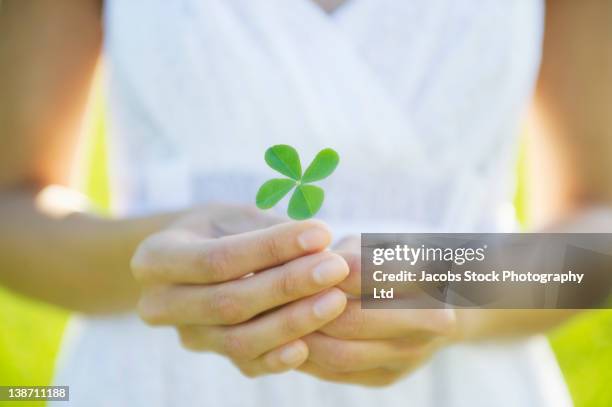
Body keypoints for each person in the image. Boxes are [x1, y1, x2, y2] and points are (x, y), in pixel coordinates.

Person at [1, 0, 610, 405]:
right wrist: (165, 271)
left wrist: (463, 289)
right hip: (159, 382)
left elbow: (599, 237)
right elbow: (10, 209)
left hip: (466, 386)